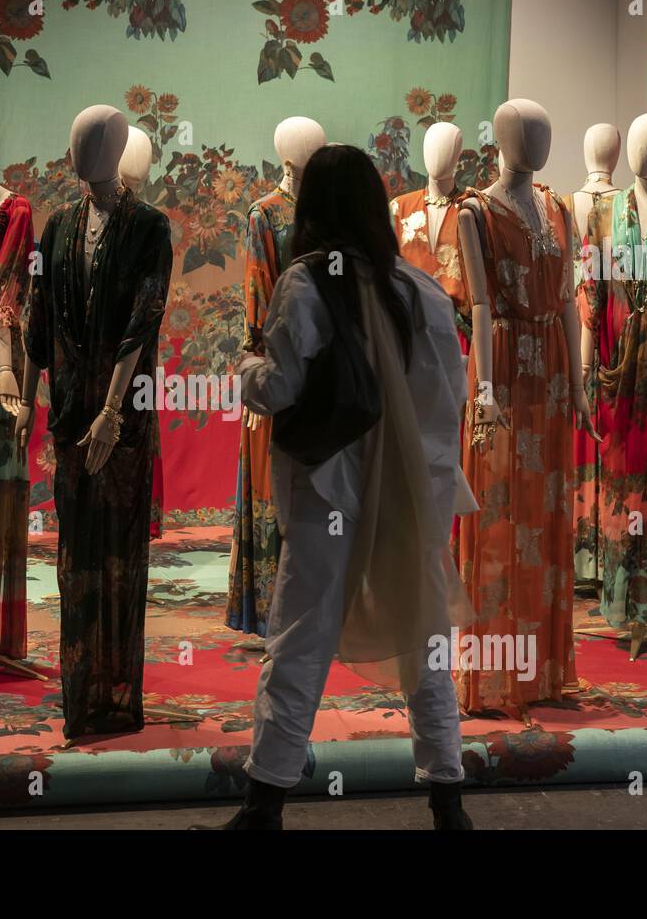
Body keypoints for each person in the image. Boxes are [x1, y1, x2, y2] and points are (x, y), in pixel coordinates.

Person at [197, 144, 475, 830]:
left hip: (328, 492)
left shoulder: (304, 283)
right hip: (408, 491)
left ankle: (264, 806)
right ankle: (448, 801)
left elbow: (280, 387)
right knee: (425, 640)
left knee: (298, 639)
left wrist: (243, 368)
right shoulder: (421, 289)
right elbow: (449, 398)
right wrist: (419, 474)